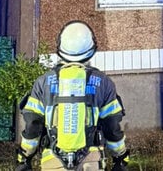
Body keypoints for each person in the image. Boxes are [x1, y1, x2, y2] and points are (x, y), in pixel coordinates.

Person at [16, 21, 130, 171]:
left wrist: (24, 157)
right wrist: (120, 157)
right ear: (91, 48)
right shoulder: (103, 83)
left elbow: (33, 125)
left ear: (61, 47)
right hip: (90, 161)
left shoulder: (43, 82)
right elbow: (112, 127)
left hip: (52, 161)